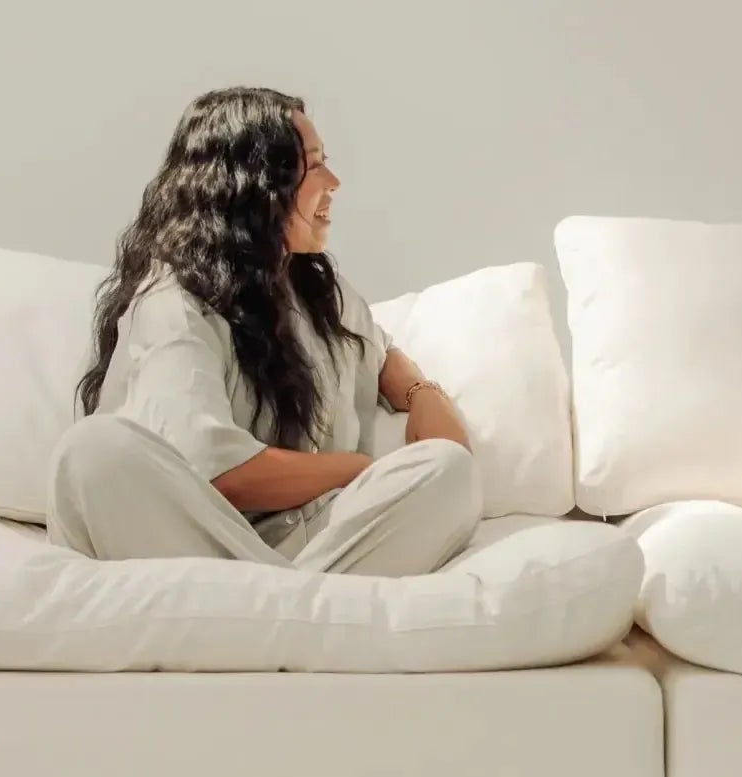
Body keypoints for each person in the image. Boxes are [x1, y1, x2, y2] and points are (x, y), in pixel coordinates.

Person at [48, 87, 480, 577]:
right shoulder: (173, 301)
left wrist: (423, 394)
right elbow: (220, 471)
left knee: (449, 471)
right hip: (192, 543)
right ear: (252, 185)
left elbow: (381, 355)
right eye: (312, 166)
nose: (333, 182)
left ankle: (278, 611)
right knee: (91, 454)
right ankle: (292, 607)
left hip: (309, 551)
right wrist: (360, 472)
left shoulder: (316, 290)